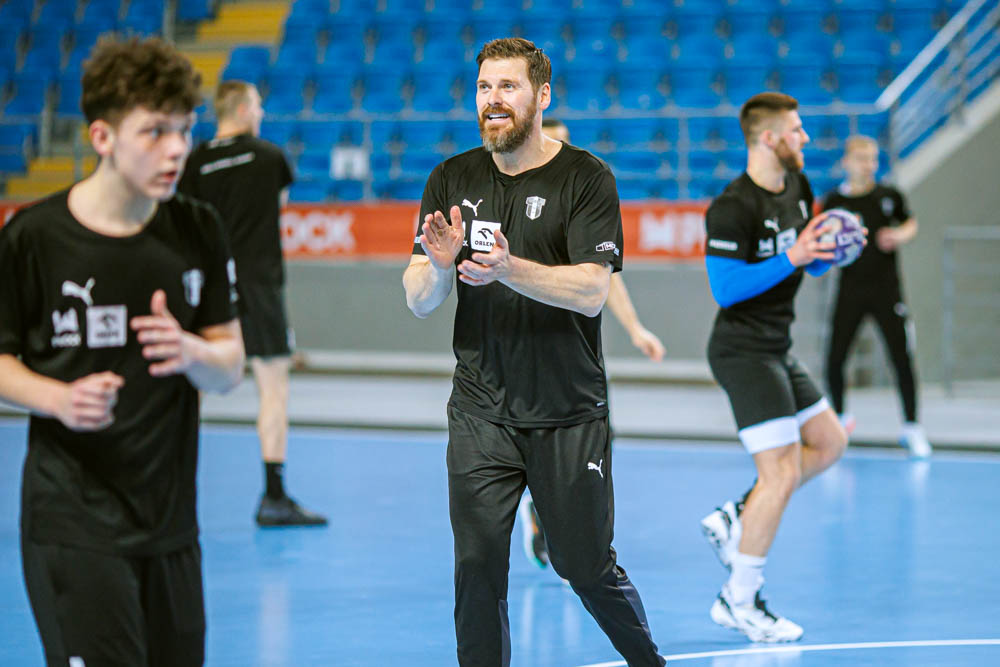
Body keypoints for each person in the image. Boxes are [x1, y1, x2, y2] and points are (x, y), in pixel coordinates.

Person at [402, 38, 665, 666]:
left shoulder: (586, 178)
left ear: (541, 95)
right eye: (483, 87)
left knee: (583, 565)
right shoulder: (450, 178)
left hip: (567, 412)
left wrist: (508, 268)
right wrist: (439, 267)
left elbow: (592, 291)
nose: (493, 100)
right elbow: (418, 298)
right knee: (476, 566)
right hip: (480, 410)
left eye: (508, 86)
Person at [0, 36, 244, 666]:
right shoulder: (33, 238)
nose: (176, 148)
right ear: (103, 137)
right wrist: (58, 398)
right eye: (155, 131)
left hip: (171, 527)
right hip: (72, 521)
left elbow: (230, 367)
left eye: (184, 129)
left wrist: (190, 351)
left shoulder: (198, 229)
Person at [699, 92, 851, 643]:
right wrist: (795, 256)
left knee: (829, 442)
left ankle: (737, 516)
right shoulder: (731, 207)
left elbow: (804, 264)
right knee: (781, 474)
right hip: (741, 351)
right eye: (796, 129)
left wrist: (830, 252)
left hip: (777, 347)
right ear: (768, 138)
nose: (804, 137)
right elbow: (725, 289)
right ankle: (739, 600)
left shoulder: (799, 187)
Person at [518, 118, 666, 569]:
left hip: (579, 354)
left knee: (594, 447)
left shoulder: (582, 200)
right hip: (526, 351)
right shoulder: (517, 205)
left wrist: (636, 328)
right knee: (539, 446)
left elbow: (607, 279)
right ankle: (540, 514)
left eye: (563, 144)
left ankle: (581, 546)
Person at [178, 81, 327, 526]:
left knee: (189, 390)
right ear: (243, 110)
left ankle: (173, 488)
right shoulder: (270, 157)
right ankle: (274, 496)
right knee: (273, 389)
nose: (261, 114)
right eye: (258, 106)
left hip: (207, 286)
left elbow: (184, 219)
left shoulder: (195, 162)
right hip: (259, 284)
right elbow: (276, 209)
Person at [821, 135, 931, 458]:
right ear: (846, 162)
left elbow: (910, 223)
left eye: (872, 159)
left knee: (901, 357)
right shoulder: (834, 202)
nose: (867, 165)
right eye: (861, 159)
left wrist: (898, 235)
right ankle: (840, 422)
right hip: (850, 290)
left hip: (886, 290)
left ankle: (912, 426)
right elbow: (821, 237)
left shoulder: (888, 196)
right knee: (835, 356)